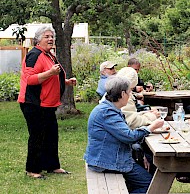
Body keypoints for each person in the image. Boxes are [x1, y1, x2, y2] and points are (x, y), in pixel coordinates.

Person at [84, 76, 164, 193]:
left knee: (149, 166)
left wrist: (141, 154)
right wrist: (151, 127)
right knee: (150, 185)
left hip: (109, 157)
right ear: (122, 94)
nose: (131, 95)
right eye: (129, 92)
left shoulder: (110, 108)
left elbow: (123, 135)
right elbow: (129, 136)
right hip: (106, 162)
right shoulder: (107, 113)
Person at [18, 26, 77, 179]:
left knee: (51, 135)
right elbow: (30, 79)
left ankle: (52, 166)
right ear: (38, 39)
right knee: (37, 136)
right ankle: (32, 169)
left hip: (48, 104)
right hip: (33, 103)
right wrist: (51, 72)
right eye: (47, 37)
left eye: (52, 36)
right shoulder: (34, 55)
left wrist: (65, 82)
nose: (51, 39)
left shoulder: (49, 55)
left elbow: (50, 79)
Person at [116, 67, 161, 174]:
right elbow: (131, 122)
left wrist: (146, 114)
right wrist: (151, 119)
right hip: (118, 153)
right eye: (131, 89)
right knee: (151, 159)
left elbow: (129, 116)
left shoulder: (114, 95)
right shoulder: (122, 97)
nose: (131, 92)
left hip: (121, 146)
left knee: (150, 156)